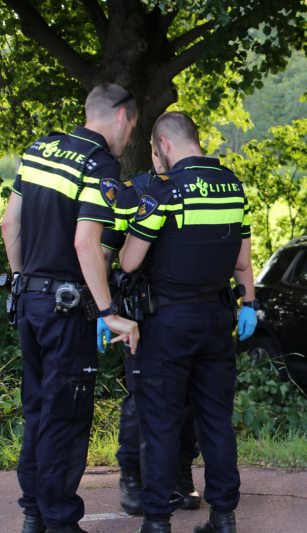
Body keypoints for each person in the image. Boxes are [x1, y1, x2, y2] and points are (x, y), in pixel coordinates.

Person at [1, 84, 140, 533]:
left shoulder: (39, 150)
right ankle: (60, 521)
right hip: (67, 308)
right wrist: (105, 311)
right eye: (133, 127)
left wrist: (23, 280)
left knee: (39, 407)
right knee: (66, 412)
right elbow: (86, 242)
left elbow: (9, 222)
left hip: (29, 301)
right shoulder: (100, 163)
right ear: (122, 117)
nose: (131, 139)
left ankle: (33, 514)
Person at [118, 111, 257, 533]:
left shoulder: (165, 191)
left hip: (167, 322)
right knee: (215, 419)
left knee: (160, 422)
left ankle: (157, 521)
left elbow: (129, 261)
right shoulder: (233, 188)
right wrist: (249, 302)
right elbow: (242, 262)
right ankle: (223, 517)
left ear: (163, 144)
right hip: (218, 319)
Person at [97, 156, 201, 515]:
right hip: (139, 314)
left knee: (186, 395)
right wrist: (103, 307)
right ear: (158, 152)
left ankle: (181, 474)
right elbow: (105, 249)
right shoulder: (132, 192)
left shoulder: (193, 191)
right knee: (143, 397)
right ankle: (132, 475)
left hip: (182, 311)